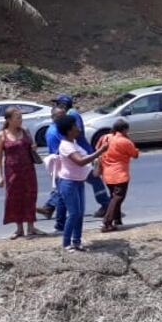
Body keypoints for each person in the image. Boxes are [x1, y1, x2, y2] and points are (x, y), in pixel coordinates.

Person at [52, 114, 107, 252]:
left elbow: (85, 160)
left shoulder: (74, 143)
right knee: (74, 213)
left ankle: (76, 241)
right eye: (75, 126)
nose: (78, 128)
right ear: (69, 130)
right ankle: (66, 243)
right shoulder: (66, 146)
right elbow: (80, 161)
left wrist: (97, 161)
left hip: (78, 181)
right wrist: (100, 151)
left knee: (80, 213)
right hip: (68, 183)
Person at [54, 94, 111, 218]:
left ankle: (106, 204)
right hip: (75, 152)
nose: (56, 106)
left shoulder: (72, 114)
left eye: (58, 104)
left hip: (80, 152)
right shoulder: (68, 115)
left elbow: (77, 132)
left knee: (92, 179)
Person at [0, 106, 41, 239]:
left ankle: (31, 227)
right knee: (14, 198)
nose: (20, 120)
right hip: (12, 171)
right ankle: (19, 228)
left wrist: (34, 147)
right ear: (9, 119)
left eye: (21, 117)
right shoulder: (1, 135)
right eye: (17, 117)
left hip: (28, 170)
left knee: (30, 196)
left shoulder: (25, 131)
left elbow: (32, 146)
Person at [99, 119, 139, 232]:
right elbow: (135, 154)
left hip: (107, 174)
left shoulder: (105, 138)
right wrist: (130, 140)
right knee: (117, 198)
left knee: (114, 198)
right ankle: (107, 222)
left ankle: (117, 220)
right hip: (120, 174)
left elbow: (98, 149)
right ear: (125, 129)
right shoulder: (124, 141)